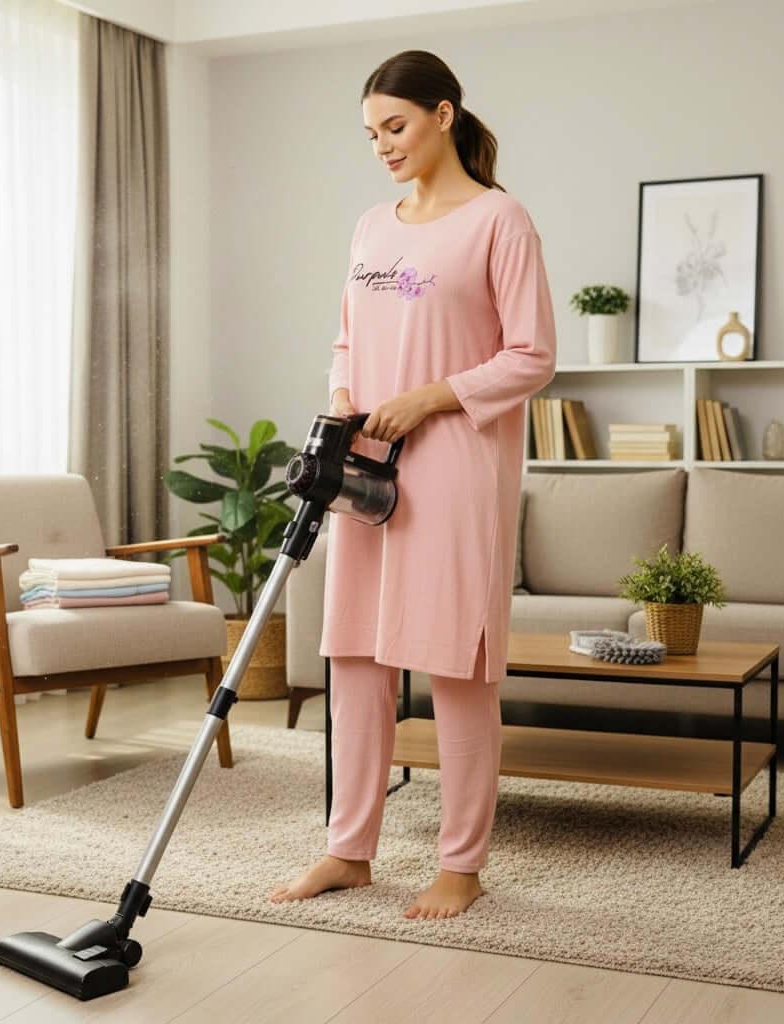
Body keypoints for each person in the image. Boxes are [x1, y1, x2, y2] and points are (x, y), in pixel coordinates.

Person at [269, 50, 557, 920]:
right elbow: (347, 339)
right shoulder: (371, 226)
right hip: (364, 469)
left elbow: (533, 355)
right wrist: (343, 399)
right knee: (354, 656)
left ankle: (461, 866)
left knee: (456, 667)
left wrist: (433, 398)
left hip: (457, 468)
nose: (382, 146)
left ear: (443, 114)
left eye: (394, 127)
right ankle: (347, 851)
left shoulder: (500, 221)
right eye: (370, 134)